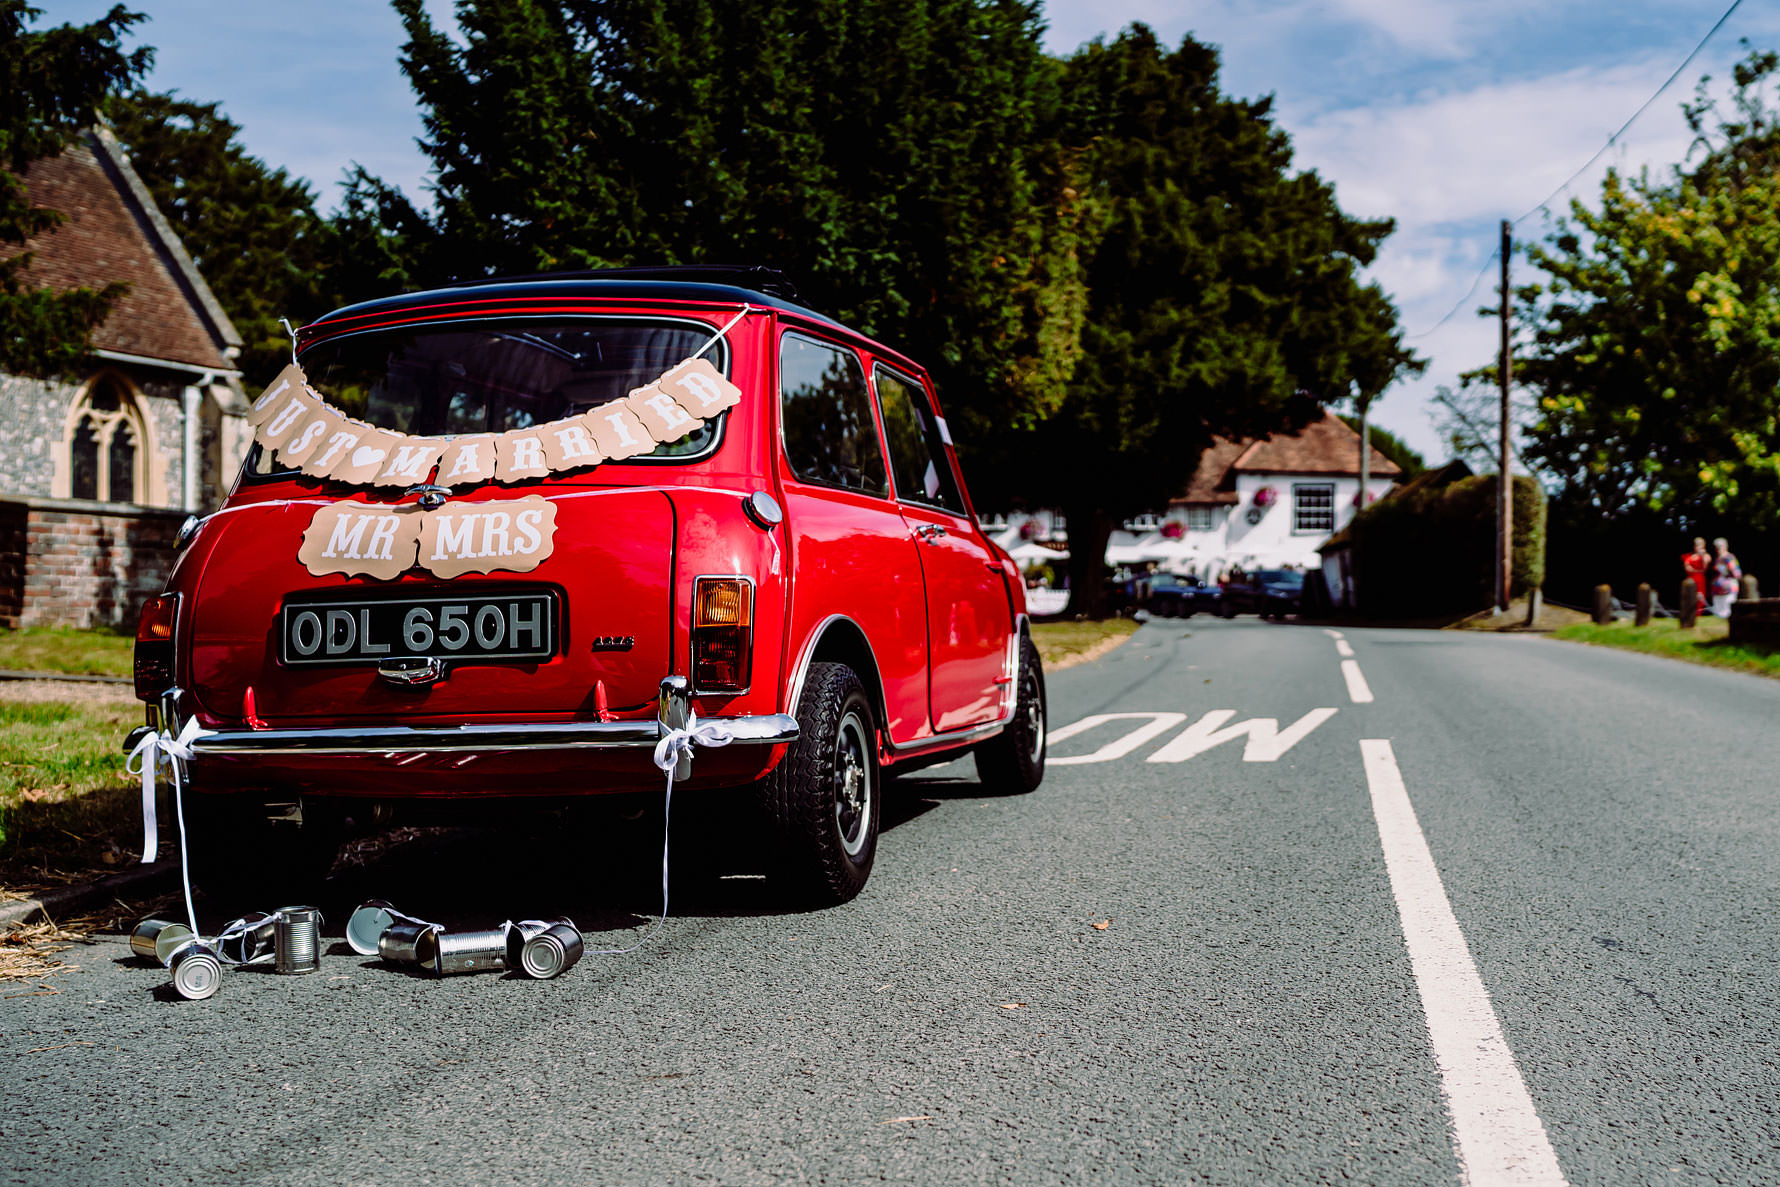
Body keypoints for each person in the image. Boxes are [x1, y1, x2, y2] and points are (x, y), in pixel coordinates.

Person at [1710, 537, 1742, 618]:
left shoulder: (1729, 557)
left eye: (1720, 546)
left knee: (1728, 610)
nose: (1718, 548)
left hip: (1729, 587)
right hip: (1718, 588)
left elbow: (1736, 573)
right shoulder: (1717, 559)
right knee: (1718, 612)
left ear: (1725, 546)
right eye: (1716, 547)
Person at [1682, 536, 1712, 613]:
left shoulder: (1706, 556)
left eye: (1700, 545)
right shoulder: (1688, 556)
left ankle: (1698, 613)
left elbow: (1705, 568)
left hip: (1700, 579)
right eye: (1696, 545)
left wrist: (1701, 556)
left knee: (1700, 596)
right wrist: (1697, 570)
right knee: (1689, 595)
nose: (1698, 547)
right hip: (1690, 579)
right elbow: (1687, 567)